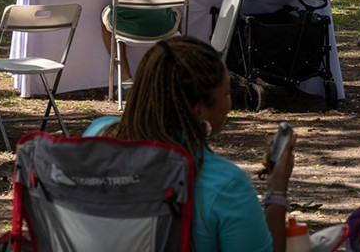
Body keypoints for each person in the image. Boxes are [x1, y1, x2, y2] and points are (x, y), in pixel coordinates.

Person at [84, 37, 296, 252]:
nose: (229, 104)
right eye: (226, 94)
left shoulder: (97, 135)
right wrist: (277, 191)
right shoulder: (223, 183)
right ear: (200, 109)